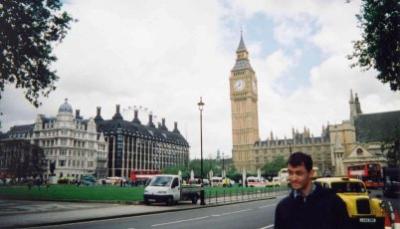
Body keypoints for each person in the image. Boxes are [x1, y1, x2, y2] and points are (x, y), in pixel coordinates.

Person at [274, 152, 350, 229]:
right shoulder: (283, 207)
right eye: (290, 173)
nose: (293, 178)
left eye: (299, 173)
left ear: (311, 173)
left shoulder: (333, 201)